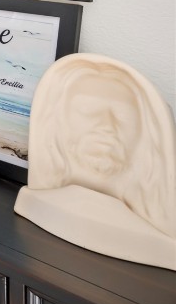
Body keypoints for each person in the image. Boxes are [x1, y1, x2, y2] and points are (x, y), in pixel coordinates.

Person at [14, 54, 176, 270]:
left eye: (123, 116)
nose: (106, 126)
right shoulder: (38, 197)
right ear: (58, 119)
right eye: (87, 111)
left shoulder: (156, 235)